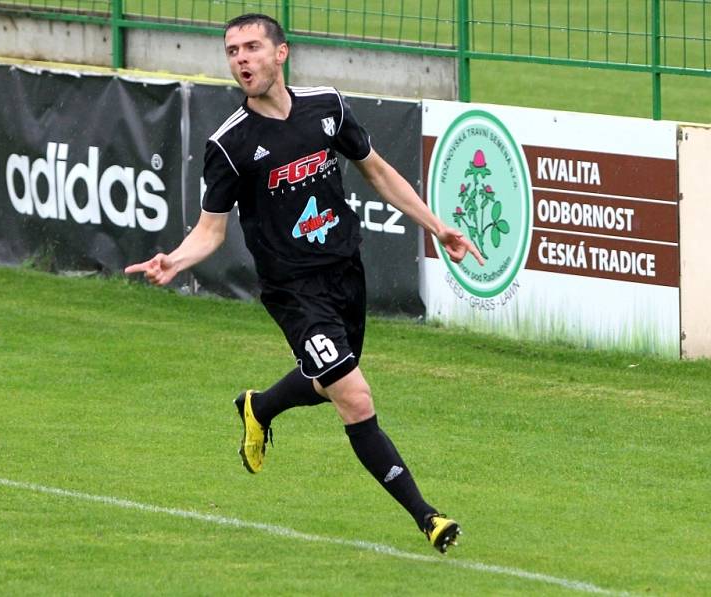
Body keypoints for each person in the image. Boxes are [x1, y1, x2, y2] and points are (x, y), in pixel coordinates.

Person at [124, 13, 484, 554]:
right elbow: (211, 230)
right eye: (231, 52)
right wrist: (175, 260)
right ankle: (428, 517)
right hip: (294, 291)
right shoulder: (230, 144)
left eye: (251, 47)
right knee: (354, 396)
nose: (241, 59)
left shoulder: (327, 108)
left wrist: (438, 227)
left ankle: (259, 407)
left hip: (345, 270)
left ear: (280, 53)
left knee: (327, 378)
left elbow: (378, 170)